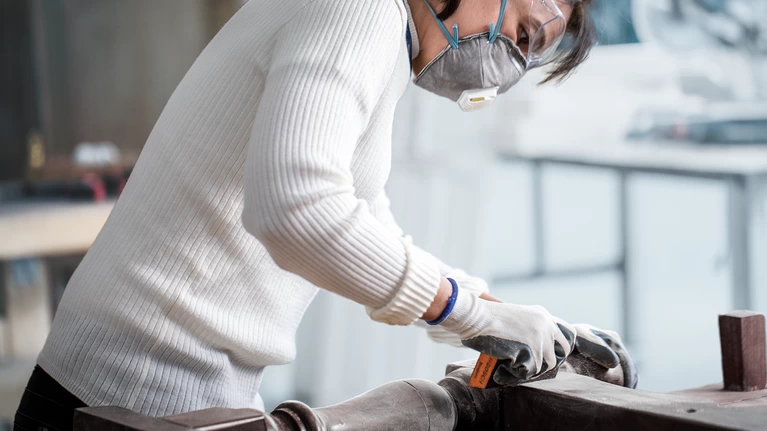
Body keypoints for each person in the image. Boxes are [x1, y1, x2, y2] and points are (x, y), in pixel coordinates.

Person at [15, 0, 636, 429]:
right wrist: (469, 314)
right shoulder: (358, 10)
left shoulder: (383, 30)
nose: (506, 65)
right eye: (522, 34)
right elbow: (296, 206)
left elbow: (362, 216)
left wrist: (497, 314)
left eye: (525, 55)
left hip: (165, 393)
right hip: (124, 394)